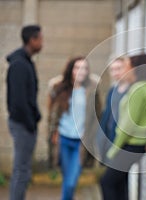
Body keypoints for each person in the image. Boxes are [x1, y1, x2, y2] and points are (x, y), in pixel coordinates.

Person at [100, 54, 146, 200]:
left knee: (106, 182)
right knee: (120, 183)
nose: (124, 70)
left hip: (130, 144)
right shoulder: (145, 87)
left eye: (126, 66)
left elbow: (128, 125)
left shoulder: (138, 89)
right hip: (134, 144)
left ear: (135, 68)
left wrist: (114, 150)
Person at [47, 56, 101, 200]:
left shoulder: (92, 88)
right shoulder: (60, 87)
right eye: (77, 68)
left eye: (84, 68)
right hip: (64, 139)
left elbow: (98, 114)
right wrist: (53, 133)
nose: (81, 71)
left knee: (71, 182)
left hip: (80, 142)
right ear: (71, 69)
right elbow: (52, 114)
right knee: (67, 179)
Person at [6, 25, 43, 200]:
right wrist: (30, 123)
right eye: (40, 39)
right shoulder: (19, 65)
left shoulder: (26, 62)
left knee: (24, 170)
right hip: (22, 124)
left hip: (26, 123)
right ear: (32, 40)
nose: (42, 42)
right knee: (21, 170)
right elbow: (18, 101)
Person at [98, 56, 130, 163]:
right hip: (110, 136)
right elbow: (107, 114)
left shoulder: (131, 90)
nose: (115, 72)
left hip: (124, 139)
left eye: (119, 68)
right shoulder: (113, 90)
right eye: (112, 70)